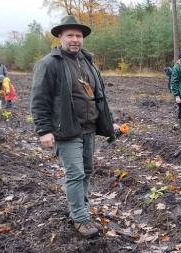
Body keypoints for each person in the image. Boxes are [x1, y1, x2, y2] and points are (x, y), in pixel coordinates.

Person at [30, 15, 116, 238]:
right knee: (76, 174)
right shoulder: (49, 63)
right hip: (66, 129)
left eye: (78, 35)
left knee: (86, 171)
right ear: (60, 37)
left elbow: (99, 96)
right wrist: (44, 130)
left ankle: (80, 209)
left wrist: (108, 121)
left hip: (89, 128)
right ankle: (80, 218)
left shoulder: (87, 62)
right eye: (70, 35)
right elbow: (40, 99)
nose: (75, 39)